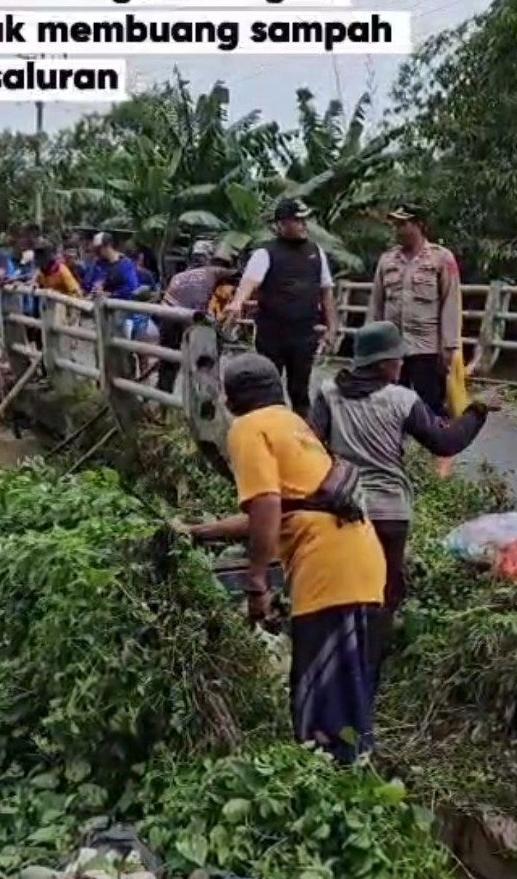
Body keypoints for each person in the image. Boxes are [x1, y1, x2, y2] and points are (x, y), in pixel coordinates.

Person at [186, 353, 385, 764]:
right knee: (347, 687)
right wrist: (199, 532)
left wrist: (256, 582)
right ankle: (355, 777)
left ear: (232, 396)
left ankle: (331, 783)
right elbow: (292, 504)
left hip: (326, 570)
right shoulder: (292, 423)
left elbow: (266, 508)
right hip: (361, 558)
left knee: (322, 704)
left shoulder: (247, 428)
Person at [310, 321, 494, 679]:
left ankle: (337, 664)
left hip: (343, 509)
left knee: (345, 587)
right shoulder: (401, 399)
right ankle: (368, 673)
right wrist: (478, 411)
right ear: (382, 364)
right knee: (384, 592)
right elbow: (445, 442)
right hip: (390, 512)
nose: (401, 366)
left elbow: (313, 447)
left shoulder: (329, 391)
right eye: (397, 360)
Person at [368, 204, 462, 475]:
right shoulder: (387, 260)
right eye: (395, 224)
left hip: (427, 347)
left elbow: (451, 303)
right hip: (392, 350)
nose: (397, 229)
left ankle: (437, 469)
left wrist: (449, 346)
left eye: (403, 223)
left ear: (419, 224)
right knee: (389, 407)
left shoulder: (441, 259)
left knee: (431, 408)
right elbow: (376, 305)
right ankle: (391, 463)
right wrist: (371, 347)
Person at [225, 199, 338, 419]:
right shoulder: (265, 252)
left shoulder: (316, 252)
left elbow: (326, 292)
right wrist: (238, 302)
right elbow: (249, 282)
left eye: (304, 219)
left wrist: (333, 327)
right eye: (297, 220)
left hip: (304, 333)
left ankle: (302, 435)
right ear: (281, 224)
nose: (303, 224)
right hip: (272, 333)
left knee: (300, 390)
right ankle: (269, 433)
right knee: (268, 387)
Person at [156, 248, 237, 393]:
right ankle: (203, 401)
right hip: (191, 314)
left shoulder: (180, 275)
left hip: (168, 311)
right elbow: (236, 275)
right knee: (204, 360)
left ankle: (164, 399)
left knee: (168, 361)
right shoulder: (213, 272)